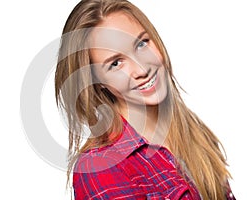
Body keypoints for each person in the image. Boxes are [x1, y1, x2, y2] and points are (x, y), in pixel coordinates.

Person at [54, 0, 235, 199]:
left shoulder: (194, 132)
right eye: (116, 63)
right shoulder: (101, 168)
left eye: (142, 44)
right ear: (97, 82)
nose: (142, 69)